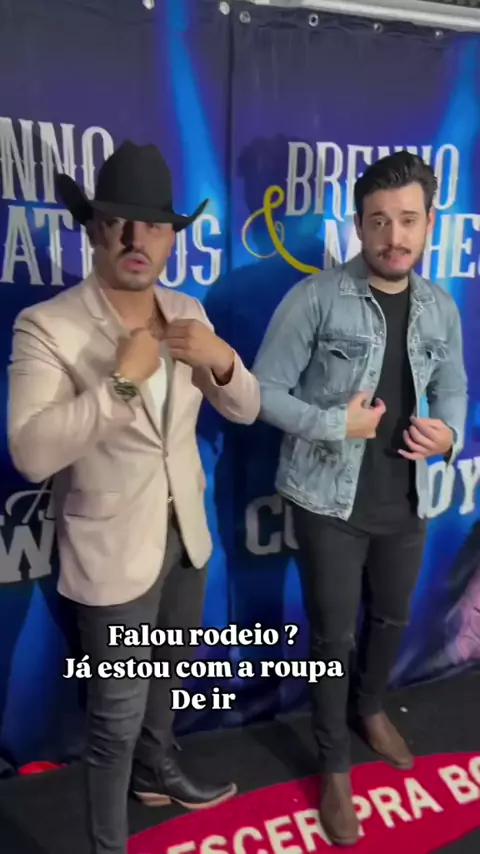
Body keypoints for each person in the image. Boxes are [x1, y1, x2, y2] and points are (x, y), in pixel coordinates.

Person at [7, 140, 260, 854]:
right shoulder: (48, 325)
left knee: (167, 680)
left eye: (151, 225)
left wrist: (224, 361)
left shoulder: (187, 309)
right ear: (93, 230)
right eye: (117, 222)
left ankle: (158, 771)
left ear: (172, 237)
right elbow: (30, 453)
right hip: (111, 551)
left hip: (187, 536)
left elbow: (244, 409)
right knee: (112, 723)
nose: (134, 239)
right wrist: (120, 383)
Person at [252, 151, 467, 846]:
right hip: (328, 503)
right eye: (378, 221)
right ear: (358, 224)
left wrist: (450, 433)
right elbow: (261, 392)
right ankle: (335, 766)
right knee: (332, 639)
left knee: (393, 618)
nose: (392, 237)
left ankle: (371, 707)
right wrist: (330, 424)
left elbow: (455, 387)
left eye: (407, 220)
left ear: (429, 223)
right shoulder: (316, 298)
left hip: (407, 499)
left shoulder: (441, 307)